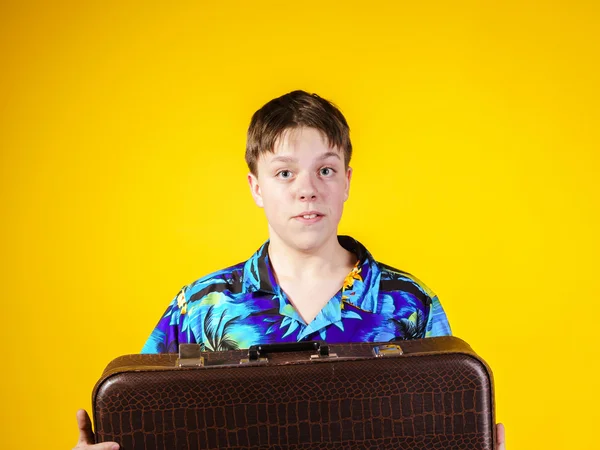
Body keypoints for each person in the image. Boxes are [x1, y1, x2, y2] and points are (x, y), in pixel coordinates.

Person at [73, 90, 506, 449]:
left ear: (347, 181)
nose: (307, 190)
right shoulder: (203, 306)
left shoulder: (409, 303)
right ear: (256, 186)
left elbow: (442, 424)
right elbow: (150, 422)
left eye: (325, 170)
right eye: (284, 172)